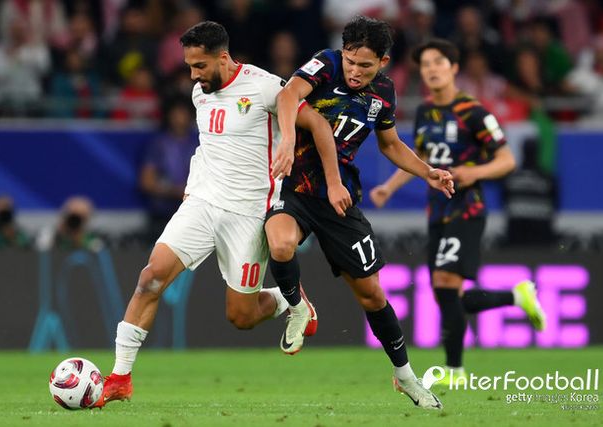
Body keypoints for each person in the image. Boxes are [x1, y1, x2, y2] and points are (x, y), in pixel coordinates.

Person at [94, 21, 350, 408]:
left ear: (223, 58)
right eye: (189, 66)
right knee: (150, 278)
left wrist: (298, 153)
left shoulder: (264, 86)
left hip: (249, 213)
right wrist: (193, 185)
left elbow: (316, 123)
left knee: (242, 317)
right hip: (202, 202)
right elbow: (209, 145)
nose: (193, 75)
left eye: (200, 66)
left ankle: (286, 299)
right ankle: (120, 378)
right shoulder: (200, 92)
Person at [266, 16, 454, 410]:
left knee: (372, 295)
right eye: (351, 61)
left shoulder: (384, 93)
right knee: (281, 245)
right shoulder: (327, 63)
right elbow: (288, 95)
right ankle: (298, 308)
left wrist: (427, 172)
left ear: (383, 62)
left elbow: (390, 144)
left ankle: (405, 376)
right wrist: (287, 138)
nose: (354, 71)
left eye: (365, 65)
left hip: (339, 200)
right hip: (296, 187)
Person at [369, 39, 546, 385]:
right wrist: (389, 187)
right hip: (437, 209)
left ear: (453, 68)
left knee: (446, 283)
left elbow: (507, 160)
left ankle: (455, 371)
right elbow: (421, 160)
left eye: (438, 62)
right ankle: (517, 296)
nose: (431, 69)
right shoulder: (424, 112)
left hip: (467, 207)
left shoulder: (474, 112)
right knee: (448, 296)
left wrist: (473, 172)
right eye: (425, 64)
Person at [139, 97, 199, 242]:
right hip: (162, 214)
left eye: (183, 112)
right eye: (176, 112)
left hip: (194, 212)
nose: (180, 117)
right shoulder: (158, 144)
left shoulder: (199, 143)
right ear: (169, 115)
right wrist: (174, 191)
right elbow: (146, 182)